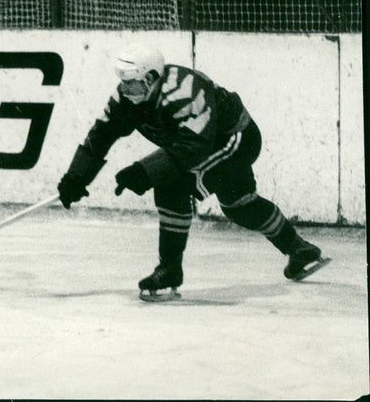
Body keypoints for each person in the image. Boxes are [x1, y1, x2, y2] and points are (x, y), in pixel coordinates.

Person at [57, 43, 331, 301]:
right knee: (239, 206)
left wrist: (144, 172)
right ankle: (300, 250)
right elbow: (101, 134)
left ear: (150, 78)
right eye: (122, 80)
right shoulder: (127, 97)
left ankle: (170, 269)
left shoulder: (185, 91)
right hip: (204, 144)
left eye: (130, 81)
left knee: (171, 184)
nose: (123, 87)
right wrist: (75, 178)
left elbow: (193, 147)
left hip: (234, 139)